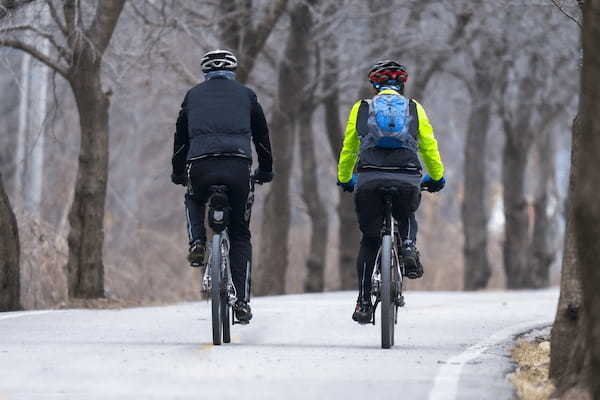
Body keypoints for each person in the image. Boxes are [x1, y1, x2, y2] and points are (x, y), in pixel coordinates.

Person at [336, 60, 446, 324]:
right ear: (401, 85)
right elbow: (428, 145)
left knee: (370, 240)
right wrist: (438, 176)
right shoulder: (414, 108)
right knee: (406, 213)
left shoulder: (361, 108)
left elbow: (350, 146)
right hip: (407, 175)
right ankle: (407, 246)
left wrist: (345, 178)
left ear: (375, 85)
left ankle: (363, 302)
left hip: (369, 177)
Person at [170, 49, 274, 323]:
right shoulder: (247, 95)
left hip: (201, 166)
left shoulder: (192, 96)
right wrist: (266, 169)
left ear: (205, 73)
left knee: (193, 197)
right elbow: (262, 136)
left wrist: (178, 172)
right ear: (233, 71)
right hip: (238, 167)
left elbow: (180, 138)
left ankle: (197, 243)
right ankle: (241, 301)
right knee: (240, 235)